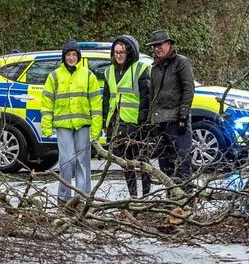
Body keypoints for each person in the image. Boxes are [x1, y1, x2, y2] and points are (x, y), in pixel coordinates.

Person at [39, 40, 102, 208]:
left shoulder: (88, 75)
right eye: (68, 54)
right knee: (67, 162)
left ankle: (82, 198)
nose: (71, 57)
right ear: (64, 56)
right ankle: (63, 198)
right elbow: (46, 102)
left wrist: (96, 129)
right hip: (63, 125)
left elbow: (96, 103)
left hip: (83, 124)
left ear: (78, 56)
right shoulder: (54, 76)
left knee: (83, 162)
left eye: (74, 54)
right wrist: (46, 126)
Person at [101, 35, 152, 200]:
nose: (118, 55)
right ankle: (133, 197)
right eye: (116, 52)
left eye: (122, 52)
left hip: (136, 123)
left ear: (129, 53)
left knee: (143, 162)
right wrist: (105, 121)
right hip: (117, 123)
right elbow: (107, 99)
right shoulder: (109, 72)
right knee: (126, 163)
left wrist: (142, 124)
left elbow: (146, 99)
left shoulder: (140, 69)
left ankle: (145, 196)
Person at [145, 29, 195, 190]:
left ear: (168, 44)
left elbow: (189, 90)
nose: (157, 48)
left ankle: (184, 202)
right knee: (165, 166)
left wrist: (183, 115)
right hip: (160, 122)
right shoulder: (154, 68)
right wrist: (150, 119)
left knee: (182, 164)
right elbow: (153, 95)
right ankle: (170, 203)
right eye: (154, 46)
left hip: (177, 121)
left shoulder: (181, 62)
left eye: (160, 45)